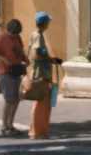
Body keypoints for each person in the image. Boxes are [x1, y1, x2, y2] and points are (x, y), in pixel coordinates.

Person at [26, 11, 62, 140]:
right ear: (44, 23)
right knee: (40, 105)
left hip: (42, 74)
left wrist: (51, 59)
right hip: (40, 75)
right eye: (48, 22)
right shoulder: (38, 37)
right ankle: (36, 132)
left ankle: (41, 131)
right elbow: (36, 55)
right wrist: (49, 58)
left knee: (44, 105)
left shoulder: (35, 35)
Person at [0, 18, 27, 137]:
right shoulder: (2, 38)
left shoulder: (17, 37)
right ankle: (4, 126)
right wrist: (4, 60)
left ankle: (10, 124)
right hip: (5, 72)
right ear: (10, 30)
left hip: (16, 70)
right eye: (14, 33)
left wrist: (24, 59)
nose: (15, 35)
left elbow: (20, 50)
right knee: (9, 99)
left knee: (16, 98)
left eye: (17, 33)